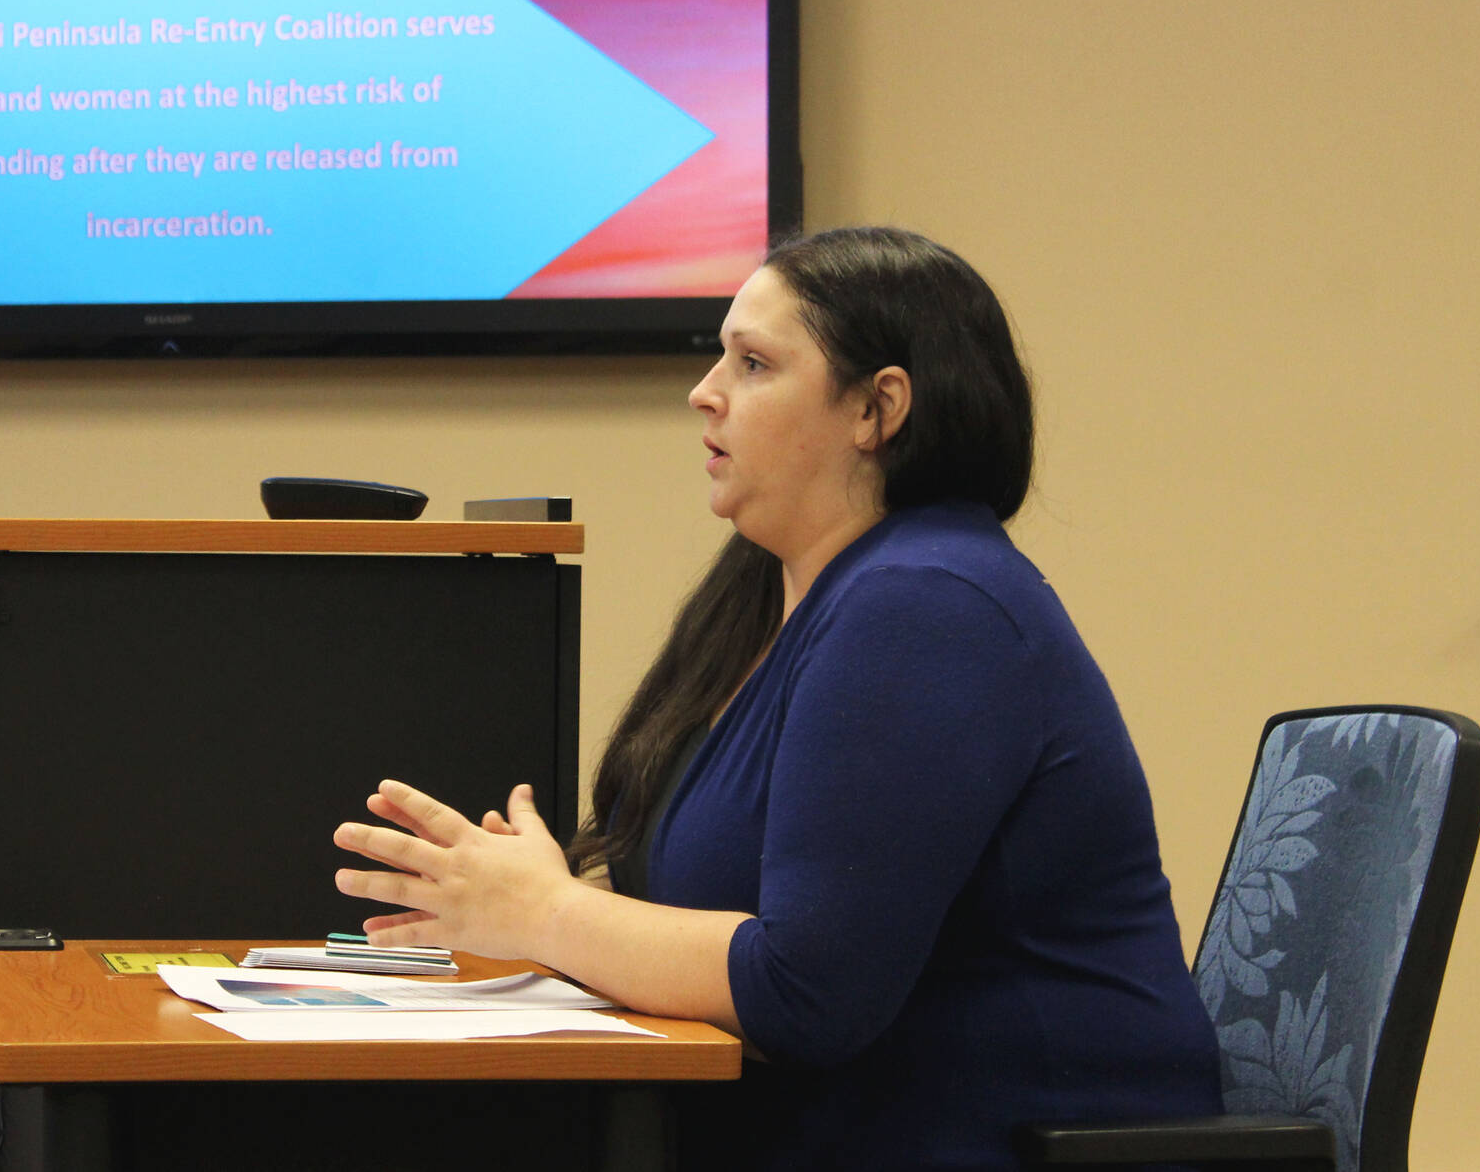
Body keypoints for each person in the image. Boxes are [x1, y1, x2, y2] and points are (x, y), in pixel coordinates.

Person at [333, 226, 1222, 1169]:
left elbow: (811, 993)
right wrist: (534, 899)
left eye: (754, 363)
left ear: (877, 409)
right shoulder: (775, 592)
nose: (704, 392)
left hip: (1001, 1138)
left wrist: (547, 914)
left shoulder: (926, 602)